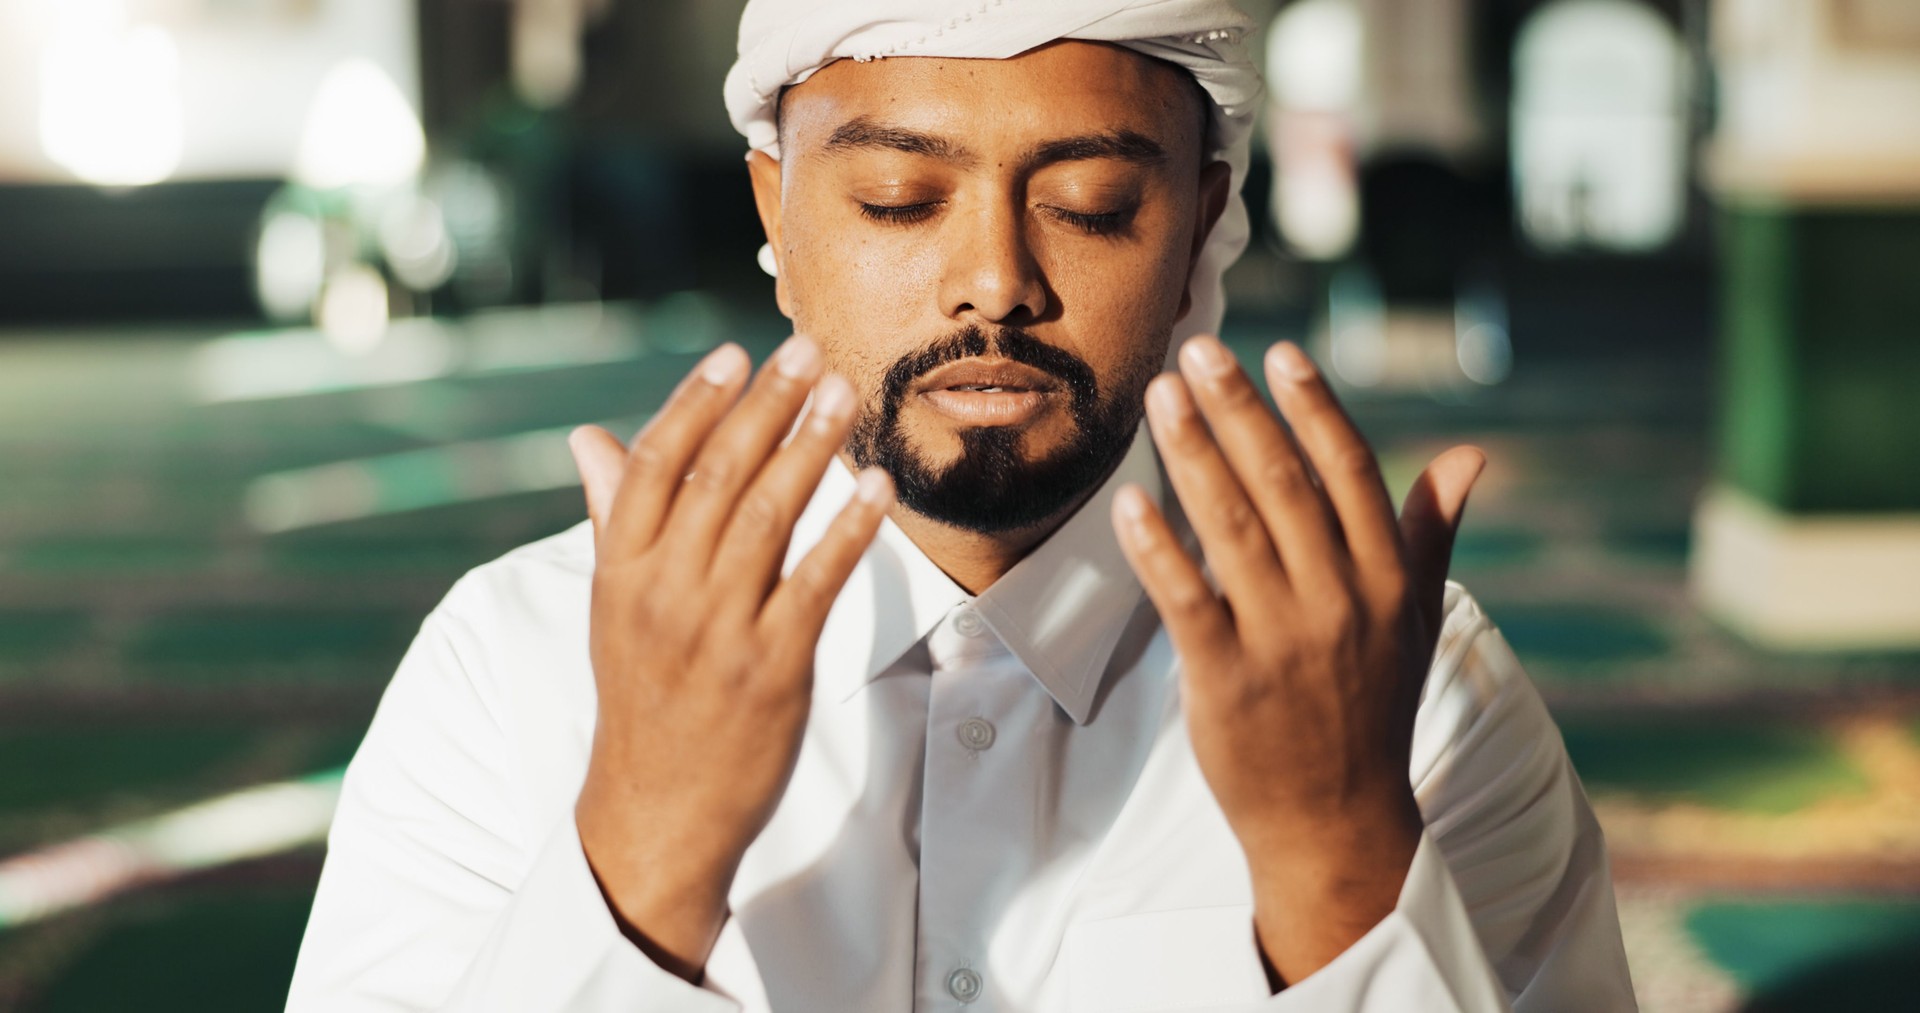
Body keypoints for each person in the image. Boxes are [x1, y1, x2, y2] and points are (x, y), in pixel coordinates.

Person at [287, 1, 1636, 1010]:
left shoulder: (1411, 687)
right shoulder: (518, 663)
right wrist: (645, 843)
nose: (993, 278)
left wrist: (1339, 858)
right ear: (778, 208)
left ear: (1196, 230)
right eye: (898, 198)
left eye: (1092, 205)